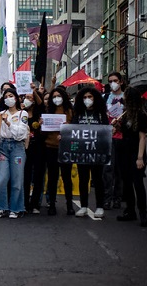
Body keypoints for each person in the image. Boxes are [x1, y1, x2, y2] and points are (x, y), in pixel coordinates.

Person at [70, 87, 109, 219]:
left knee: (98, 179)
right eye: (85, 97)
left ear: (95, 98)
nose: (87, 99)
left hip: (97, 151)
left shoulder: (100, 114)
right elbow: (73, 130)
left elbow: (106, 130)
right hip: (82, 151)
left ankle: (100, 206)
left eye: (90, 97)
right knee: (83, 179)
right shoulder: (78, 114)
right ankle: (84, 206)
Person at [0, 88, 29, 219]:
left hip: (17, 147)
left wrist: (8, 123)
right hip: (3, 147)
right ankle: (0, 207)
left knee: (17, 180)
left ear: (16, 98)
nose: (8, 98)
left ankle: (16, 208)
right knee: (1, 179)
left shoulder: (23, 114)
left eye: (11, 95)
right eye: (6, 96)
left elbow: (21, 133)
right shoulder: (1, 113)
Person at [114, 86, 147, 226]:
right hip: (124, 151)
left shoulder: (141, 115)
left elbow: (142, 137)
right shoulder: (125, 114)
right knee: (127, 182)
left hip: (135, 152)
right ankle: (130, 210)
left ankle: (143, 213)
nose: (124, 98)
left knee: (138, 184)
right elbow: (125, 132)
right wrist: (117, 126)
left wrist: (140, 158)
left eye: (126, 96)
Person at [43, 86, 74, 216]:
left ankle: (69, 205)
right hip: (50, 147)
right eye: (54, 97)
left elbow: (76, 129)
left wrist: (68, 129)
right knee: (52, 177)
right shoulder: (48, 111)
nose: (56, 99)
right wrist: (41, 124)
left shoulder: (70, 111)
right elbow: (43, 132)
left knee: (67, 177)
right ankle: (52, 205)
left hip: (66, 148)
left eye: (59, 96)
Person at [103, 72, 125, 210]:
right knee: (107, 169)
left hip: (122, 138)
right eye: (110, 81)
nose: (113, 83)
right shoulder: (105, 97)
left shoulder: (126, 98)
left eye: (115, 80)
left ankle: (118, 198)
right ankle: (107, 198)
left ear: (121, 82)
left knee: (119, 170)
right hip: (108, 137)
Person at [23, 89, 46, 214]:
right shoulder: (21, 113)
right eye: (26, 97)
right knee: (25, 176)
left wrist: (34, 91)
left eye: (30, 97)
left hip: (39, 148)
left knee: (38, 176)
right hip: (25, 148)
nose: (27, 99)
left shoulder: (40, 113)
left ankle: (35, 203)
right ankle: (25, 203)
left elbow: (41, 104)